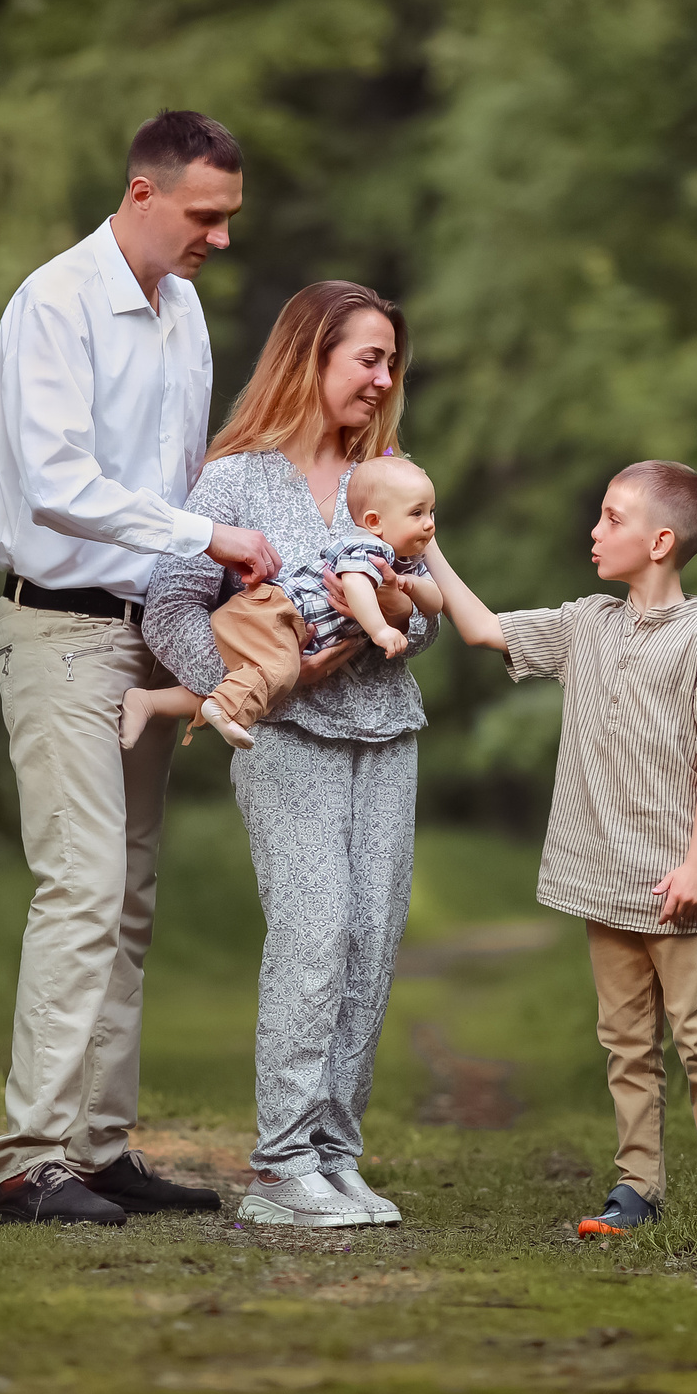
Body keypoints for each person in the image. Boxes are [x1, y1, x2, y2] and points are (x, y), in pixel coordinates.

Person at [0, 110, 283, 1228]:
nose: (219, 237)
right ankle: (27, 1161)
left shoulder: (187, 310)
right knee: (82, 883)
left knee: (134, 894)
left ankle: (97, 1150)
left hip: (154, 629)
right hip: (59, 630)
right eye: (206, 216)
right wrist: (204, 541)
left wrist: (227, 565)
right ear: (143, 195)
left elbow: (185, 478)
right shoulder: (53, 303)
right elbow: (56, 481)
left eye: (230, 218)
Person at [143, 281, 434, 1230]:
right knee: (315, 935)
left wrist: (381, 625)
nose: (383, 377)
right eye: (368, 357)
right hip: (287, 739)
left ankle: (332, 1155)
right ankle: (277, 1168)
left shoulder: (382, 474)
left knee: (372, 940)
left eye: (391, 361)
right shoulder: (236, 478)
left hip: (387, 730)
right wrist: (250, 680)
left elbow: (421, 606)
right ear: (312, 356)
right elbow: (170, 606)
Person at [422, 460, 697, 1234]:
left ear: (661, 540)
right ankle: (637, 1184)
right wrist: (427, 546)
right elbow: (480, 626)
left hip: (677, 885)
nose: (595, 530)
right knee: (626, 1041)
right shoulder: (586, 625)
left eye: (613, 517)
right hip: (600, 881)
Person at [121, 455, 442, 751]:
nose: (429, 523)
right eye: (417, 513)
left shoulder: (407, 560)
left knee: (255, 684)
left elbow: (435, 603)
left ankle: (150, 703)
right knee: (275, 673)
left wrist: (410, 588)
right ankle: (222, 712)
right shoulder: (368, 547)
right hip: (276, 613)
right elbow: (356, 584)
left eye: (431, 511)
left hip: (285, 623)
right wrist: (381, 630)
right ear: (374, 521)